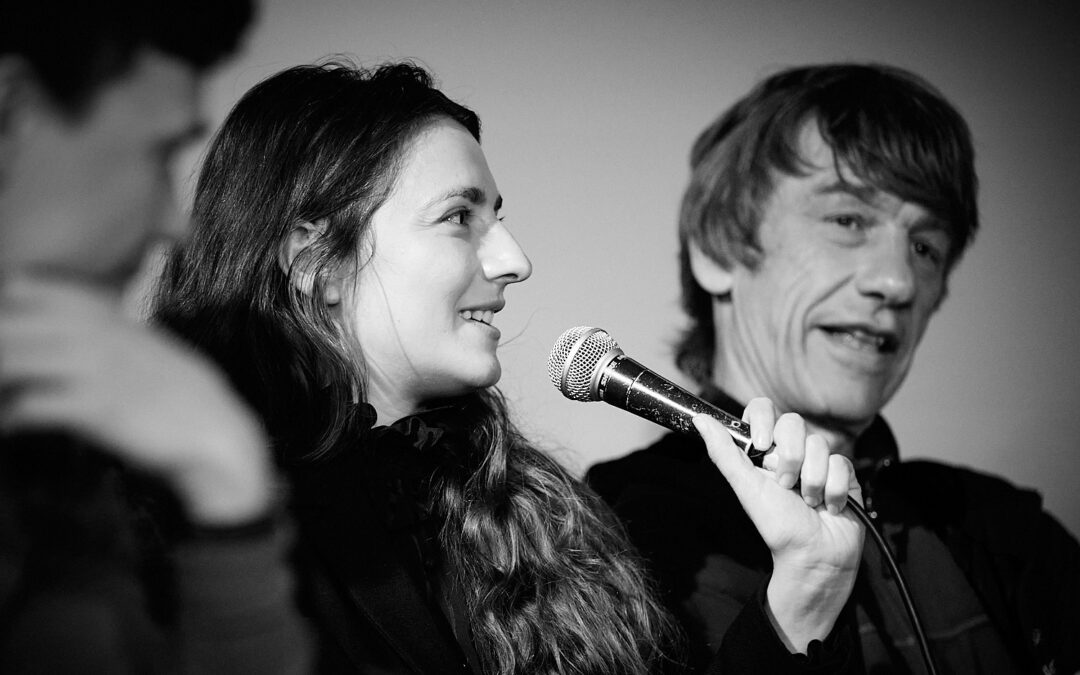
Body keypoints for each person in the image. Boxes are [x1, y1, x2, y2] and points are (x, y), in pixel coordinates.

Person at [153, 60, 864, 674]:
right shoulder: (164, 531)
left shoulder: (547, 522)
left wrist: (808, 589)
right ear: (317, 262)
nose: (514, 260)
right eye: (458, 218)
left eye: (497, 217)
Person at [587, 62, 1080, 674]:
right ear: (718, 250)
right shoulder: (606, 536)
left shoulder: (1003, 530)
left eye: (925, 247)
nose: (897, 282)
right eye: (849, 220)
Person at [0, 1, 309, 672]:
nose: (176, 223)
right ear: (8, 116)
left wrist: (228, 485)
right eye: (159, 151)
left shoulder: (55, 456)